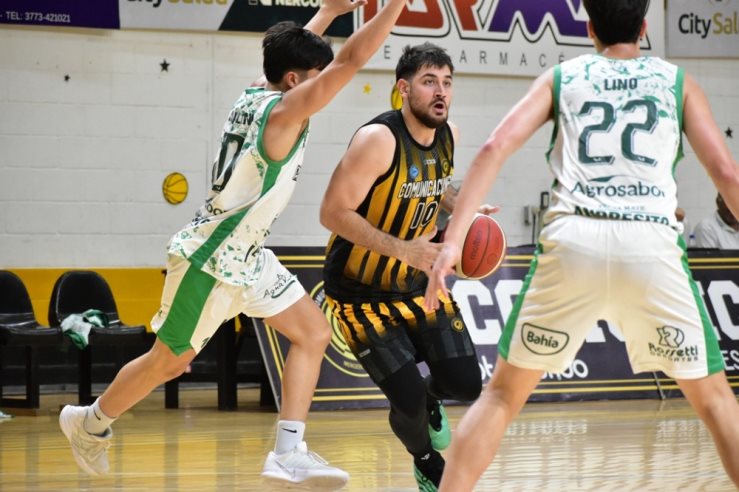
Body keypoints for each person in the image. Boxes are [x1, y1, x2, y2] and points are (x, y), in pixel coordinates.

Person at [58, 0, 409, 488]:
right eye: (316, 76)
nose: (324, 84)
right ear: (294, 81)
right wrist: (396, 5)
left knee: (313, 333)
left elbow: (286, 53)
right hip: (211, 258)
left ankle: (288, 452)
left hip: (249, 257)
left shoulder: (256, 92)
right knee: (169, 361)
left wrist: (328, 12)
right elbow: (351, 60)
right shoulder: (284, 114)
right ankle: (90, 421)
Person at [423, 0, 739, 489]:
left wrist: (453, 240)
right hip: (650, 244)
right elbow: (725, 173)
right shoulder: (677, 82)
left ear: (589, 28)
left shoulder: (563, 77)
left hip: (574, 240)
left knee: (501, 398)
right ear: (644, 27)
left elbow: (493, 147)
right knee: (716, 400)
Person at [320, 43, 492, 491]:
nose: (441, 92)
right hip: (359, 294)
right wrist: (403, 250)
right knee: (407, 399)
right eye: (429, 82)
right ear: (403, 88)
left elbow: (436, 185)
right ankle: (425, 458)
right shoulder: (377, 140)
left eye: (447, 82)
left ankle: (434, 400)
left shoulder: (448, 134)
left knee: (467, 385)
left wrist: (465, 208)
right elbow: (332, 213)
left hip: (417, 284)